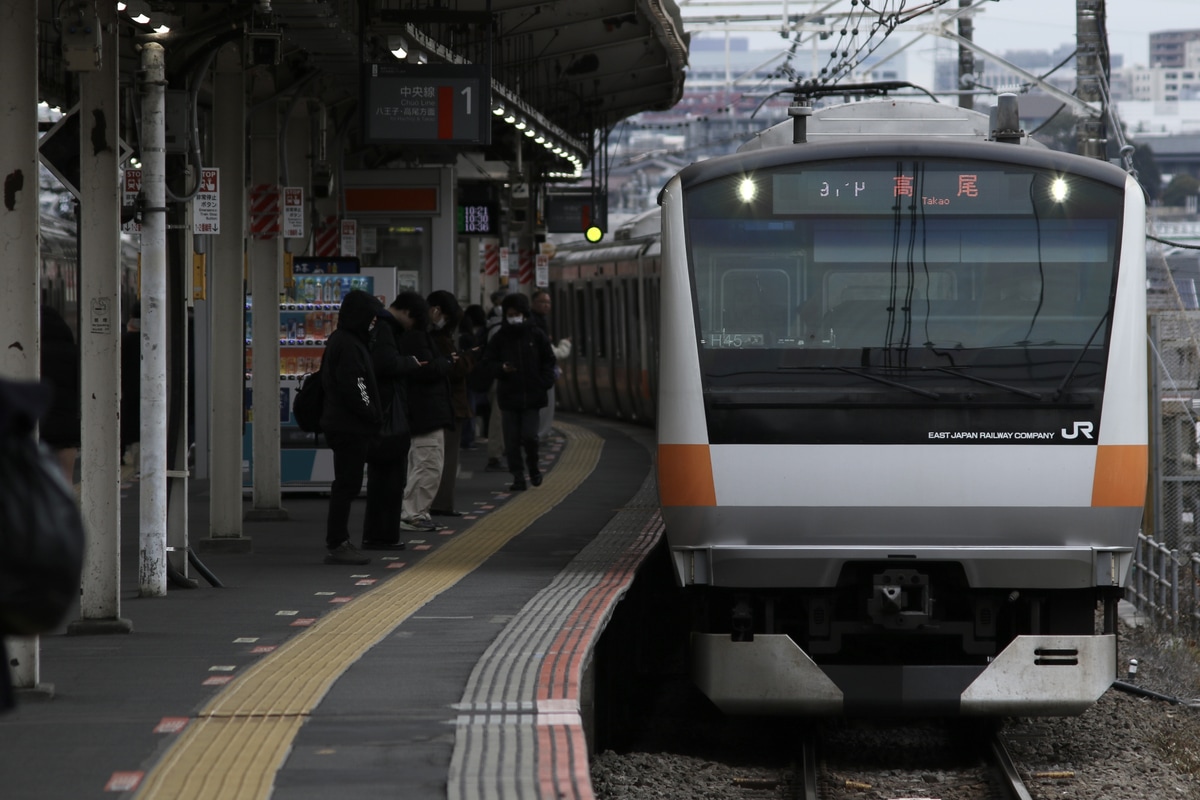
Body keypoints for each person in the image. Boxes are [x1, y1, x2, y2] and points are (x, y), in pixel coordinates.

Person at [319, 289, 384, 565]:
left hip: (342, 423)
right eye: (370, 318)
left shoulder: (342, 339)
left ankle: (339, 540)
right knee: (347, 484)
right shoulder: (350, 345)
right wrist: (371, 412)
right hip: (349, 426)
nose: (373, 323)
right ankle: (338, 542)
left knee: (346, 483)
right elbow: (357, 386)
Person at [389, 292, 454, 532]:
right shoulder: (416, 338)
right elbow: (425, 369)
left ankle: (417, 512)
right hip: (425, 413)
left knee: (426, 464)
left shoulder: (409, 336)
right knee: (427, 464)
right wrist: (446, 363)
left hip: (424, 412)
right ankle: (412, 514)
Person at [479, 292, 556, 491]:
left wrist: (544, 382)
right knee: (511, 442)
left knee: (530, 436)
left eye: (517, 313)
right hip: (509, 396)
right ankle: (518, 477)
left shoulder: (536, 335)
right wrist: (501, 369)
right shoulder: (500, 337)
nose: (513, 317)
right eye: (510, 314)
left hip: (532, 396)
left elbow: (549, 360)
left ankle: (533, 467)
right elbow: (487, 362)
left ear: (524, 313)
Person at [361, 301, 422, 550]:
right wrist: (410, 363)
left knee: (382, 480)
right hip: (387, 419)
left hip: (380, 415)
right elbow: (386, 364)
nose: (411, 329)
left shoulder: (378, 328)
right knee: (389, 480)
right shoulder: (386, 330)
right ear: (407, 312)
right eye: (413, 322)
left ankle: (379, 535)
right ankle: (383, 536)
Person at [427, 291, 474, 517]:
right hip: (448, 405)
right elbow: (454, 369)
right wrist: (465, 360)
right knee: (445, 458)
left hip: (443, 405)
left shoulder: (433, 336)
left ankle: (438, 502)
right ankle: (441, 503)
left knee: (439, 457)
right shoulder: (437, 338)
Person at [38, 305, 80, 486]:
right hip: (66, 428)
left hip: (38, 424)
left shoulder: (28, 354)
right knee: (66, 479)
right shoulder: (75, 354)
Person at [530, 289, 571, 441]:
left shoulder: (540, 321)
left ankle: (538, 434)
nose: (546, 305)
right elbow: (550, 352)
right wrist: (565, 345)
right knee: (544, 407)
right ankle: (539, 435)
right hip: (542, 373)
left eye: (548, 302)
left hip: (543, 373)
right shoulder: (536, 323)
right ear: (533, 303)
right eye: (542, 302)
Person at [483, 288, 508, 472]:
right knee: (498, 417)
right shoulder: (498, 329)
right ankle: (496, 455)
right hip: (500, 378)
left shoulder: (492, 324)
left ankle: (499, 452)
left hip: (497, 378)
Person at [458, 303, 488, 451]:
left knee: (469, 408)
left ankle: (467, 439)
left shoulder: (461, 337)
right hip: (472, 378)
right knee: (470, 409)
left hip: (466, 378)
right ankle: (467, 440)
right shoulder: (471, 338)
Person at [120, 300, 140, 486]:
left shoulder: (124, 341)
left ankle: (125, 458)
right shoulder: (156, 341)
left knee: (128, 428)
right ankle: (141, 467)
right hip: (149, 394)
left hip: (127, 392)